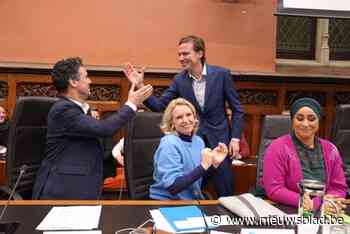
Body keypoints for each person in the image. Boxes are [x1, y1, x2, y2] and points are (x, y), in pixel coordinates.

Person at [124, 35, 244, 196]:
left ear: (200, 54)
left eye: (185, 54)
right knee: (193, 189)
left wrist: (235, 138)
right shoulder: (179, 80)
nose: (181, 58)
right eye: (179, 54)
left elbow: (237, 109)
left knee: (226, 191)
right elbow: (159, 106)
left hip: (220, 144)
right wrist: (140, 85)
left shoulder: (222, 75)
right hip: (192, 144)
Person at [32, 57, 153, 199]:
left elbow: (97, 141)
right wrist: (131, 103)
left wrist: (117, 150)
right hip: (63, 192)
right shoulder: (63, 110)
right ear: (73, 82)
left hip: (83, 186)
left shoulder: (82, 109)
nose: (90, 81)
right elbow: (105, 129)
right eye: (86, 76)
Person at [262, 98, 347, 211]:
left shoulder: (330, 149)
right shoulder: (277, 147)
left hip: (326, 210)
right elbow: (274, 189)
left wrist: (329, 202)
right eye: (299, 118)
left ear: (318, 121)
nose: (305, 124)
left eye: (311, 119)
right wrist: (313, 203)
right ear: (293, 121)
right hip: (288, 210)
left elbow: (339, 187)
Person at [150, 98, 228, 200]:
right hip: (167, 202)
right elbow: (173, 187)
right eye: (179, 117)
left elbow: (198, 180)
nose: (185, 120)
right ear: (172, 123)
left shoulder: (198, 141)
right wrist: (204, 166)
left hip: (190, 201)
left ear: (195, 118)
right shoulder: (169, 144)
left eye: (188, 115)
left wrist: (213, 164)